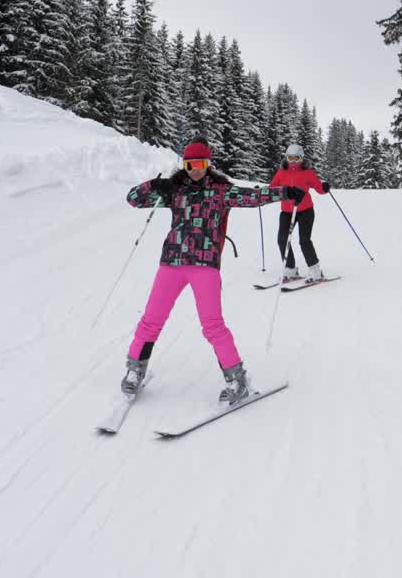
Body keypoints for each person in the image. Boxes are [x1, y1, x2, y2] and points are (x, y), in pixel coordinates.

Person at [122, 137, 305, 404]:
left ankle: (237, 379)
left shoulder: (221, 191)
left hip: (204, 265)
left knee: (212, 325)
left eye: (200, 163)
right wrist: (154, 184)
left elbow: (253, 197)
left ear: (208, 164)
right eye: (189, 163)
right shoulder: (174, 190)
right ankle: (134, 370)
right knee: (151, 320)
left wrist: (285, 192)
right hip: (171, 263)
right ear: (184, 164)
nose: (195, 168)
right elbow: (133, 199)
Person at [268, 144, 330, 282]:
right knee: (282, 239)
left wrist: (324, 188)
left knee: (304, 241)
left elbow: (319, 188)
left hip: (305, 210)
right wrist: (263, 192)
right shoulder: (281, 173)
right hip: (287, 211)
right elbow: (272, 189)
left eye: (296, 158)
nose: (293, 161)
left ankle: (315, 271)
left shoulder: (308, 172)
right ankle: (290, 269)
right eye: (290, 158)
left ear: (302, 158)